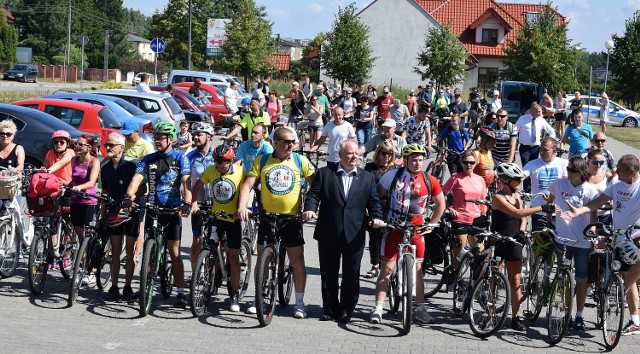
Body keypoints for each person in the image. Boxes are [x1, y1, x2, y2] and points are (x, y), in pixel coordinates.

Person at [235, 128, 315, 318]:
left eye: (293, 142)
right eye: (286, 141)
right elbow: (247, 185)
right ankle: (260, 297)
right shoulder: (262, 160)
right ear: (275, 142)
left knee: (297, 260)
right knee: (263, 258)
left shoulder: (299, 160)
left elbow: (315, 184)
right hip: (268, 217)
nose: (291, 145)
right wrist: (242, 206)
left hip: (291, 219)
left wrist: (310, 207)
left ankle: (300, 302)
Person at [303, 140, 383, 322]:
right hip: (329, 232)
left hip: (354, 233)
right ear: (340, 155)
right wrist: (310, 209)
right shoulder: (325, 174)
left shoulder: (367, 177)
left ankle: (346, 309)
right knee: (328, 273)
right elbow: (314, 195)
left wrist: (377, 217)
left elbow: (374, 202)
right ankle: (330, 309)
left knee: (351, 275)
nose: (355, 156)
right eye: (350, 153)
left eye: (357, 153)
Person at [561, 154, 640, 336]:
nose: (615, 170)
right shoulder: (616, 183)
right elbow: (599, 201)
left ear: (632, 172)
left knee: (629, 279)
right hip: (618, 238)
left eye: (619, 169)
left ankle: (633, 314)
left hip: (634, 240)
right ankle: (635, 320)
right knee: (625, 275)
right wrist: (579, 211)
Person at [370, 144, 446, 324]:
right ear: (405, 160)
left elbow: (440, 204)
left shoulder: (429, 179)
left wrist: (433, 223)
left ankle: (420, 309)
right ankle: (378, 308)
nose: (418, 163)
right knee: (387, 268)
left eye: (420, 159)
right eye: (414, 159)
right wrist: (378, 217)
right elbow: (377, 196)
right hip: (393, 228)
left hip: (416, 230)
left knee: (418, 271)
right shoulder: (393, 176)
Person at [123, 122, 192, 308]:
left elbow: (186, 181)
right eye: (155, 138)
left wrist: (187, 202)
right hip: (153, 210)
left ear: (170, 139)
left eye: (161, 138)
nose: (157, 141)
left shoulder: (180, 159)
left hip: (172, 210)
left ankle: (180, 292)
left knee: (175, 252)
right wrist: (128, 196)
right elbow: (136, 179)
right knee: (149, 249)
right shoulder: (148, 159)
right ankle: (146, 284)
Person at [491, 162, 556, 331]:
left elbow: (522, 218)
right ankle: (491, 310)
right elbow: (517, 213)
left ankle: (516, 317)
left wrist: (521, 231)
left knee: (516, 280)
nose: (520, 182)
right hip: (499, 241)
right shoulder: (497, 198)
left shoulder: (517, 196)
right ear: (505, 180)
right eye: (516, 179)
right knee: (494, 277)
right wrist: (541, 207)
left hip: (515, 241)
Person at [192, 144, 246, 312]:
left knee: (233, 256)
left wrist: (243, 208)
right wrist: (193, 203)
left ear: (231, 161)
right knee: (210, 248)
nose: (221, 164)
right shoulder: (210, 171)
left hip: (232, 219)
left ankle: (235, 294)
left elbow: (248, 189)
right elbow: (196, 187)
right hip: (216, 217)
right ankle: (211, 281)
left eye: (225, 161)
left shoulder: (240, 172)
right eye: (217, 160)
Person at [547, 156, 598, 331]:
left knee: (581, 279)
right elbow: (550, 201)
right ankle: (567, 310)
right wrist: (550, 221)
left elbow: (593, 215)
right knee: (564, 277)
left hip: (582, 241)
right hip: (562, 238)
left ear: (582, 172)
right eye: (568, 169)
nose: (569, 173)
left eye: (573, 171)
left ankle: (579, 315)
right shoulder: (559, 183)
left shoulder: (590, 190)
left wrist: (592, 233)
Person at [101, 133, 141, 302]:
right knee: (115, 250)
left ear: (122, 147)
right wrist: (102, 213)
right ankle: (115, 286)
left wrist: (132, 199)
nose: (108, 148)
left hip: (131, 212)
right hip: (112, 211)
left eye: (111, 145)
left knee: (131, 251)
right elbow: (104, 191)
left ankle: (128, 286)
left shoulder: (133, 164)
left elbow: (142, 187)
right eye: (106, 145)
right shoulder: (105, 167)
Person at [442, 150, 487, 275]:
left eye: (471, 162)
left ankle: (474, 283)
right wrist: (449, 208)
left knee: (480, 253)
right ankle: (456, 278)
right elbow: (441, 195)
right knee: (460, 253)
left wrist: (484, 217)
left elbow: (483, 201)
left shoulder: (480, 180)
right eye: (465, 162)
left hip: (476, 220)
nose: (468, 165)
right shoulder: (455, 178)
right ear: (461, 163)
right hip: (460, 219)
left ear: (475, 163)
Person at [363, 142, 397, 278]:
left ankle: (386, 266)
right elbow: (364, 187)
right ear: (379, 154)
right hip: (373, 205)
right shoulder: (370, 168)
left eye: (389, 154)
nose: (387, 156)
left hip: (389, 206)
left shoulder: (395, 169)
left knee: (387, 237)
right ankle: (375, 265)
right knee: (374, 237)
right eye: (384, 153)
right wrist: (365, 206)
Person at [185, 122, 215, 271]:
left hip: (218, 203)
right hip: (199, 202)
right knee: (197, 239)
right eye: (194, 134)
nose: (196, 137)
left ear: (209, 137)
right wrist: (190, 202)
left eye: (199, 134)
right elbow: (187, 182)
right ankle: (196, 273)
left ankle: (218, 271)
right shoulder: (190, 157)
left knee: (219, 240)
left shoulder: (218, 154)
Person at [522, 137, 568, 230]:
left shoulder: (563, 163)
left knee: (557, 242)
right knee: (539, 243)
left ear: (554, 151)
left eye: (545, 150)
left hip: (559, 212)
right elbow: (520, 176)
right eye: (540, 149)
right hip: (539, 211)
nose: (541, 152)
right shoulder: (532, 164)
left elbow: (568, 184)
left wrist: (555, 195)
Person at [515, 102, 556, 171]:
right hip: (525, 148)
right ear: (532, 111)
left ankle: (533, 182)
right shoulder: (522, 119)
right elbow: (515, 130)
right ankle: (526, 182)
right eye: (538, 112)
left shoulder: (541, 120)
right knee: (526, 167)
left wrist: (550, 142)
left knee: (534, 168)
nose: (540, 113)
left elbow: (551, 131)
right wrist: (515, 143)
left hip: (536, 148)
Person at [586, 149, 612, 224]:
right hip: (587, 215)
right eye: (595, 162)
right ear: (588, 161)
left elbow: (616, 189)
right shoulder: (582, 176)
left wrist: (612, 199)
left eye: (601, 162)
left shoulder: (607, 176)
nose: (598, 165)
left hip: (604, 214)